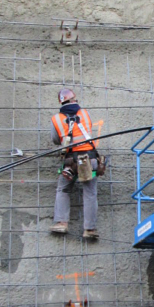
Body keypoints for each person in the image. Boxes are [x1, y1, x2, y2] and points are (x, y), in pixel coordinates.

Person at [50, 86, 100, 239]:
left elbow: (55, 140)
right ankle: (89, 229)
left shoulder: (56, 119)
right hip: (89, 158)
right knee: (90, 193)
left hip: (70, 161)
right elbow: (89, 128)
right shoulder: (85, 113)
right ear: (73, 99)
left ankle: (61, 223)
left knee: (63, 190)